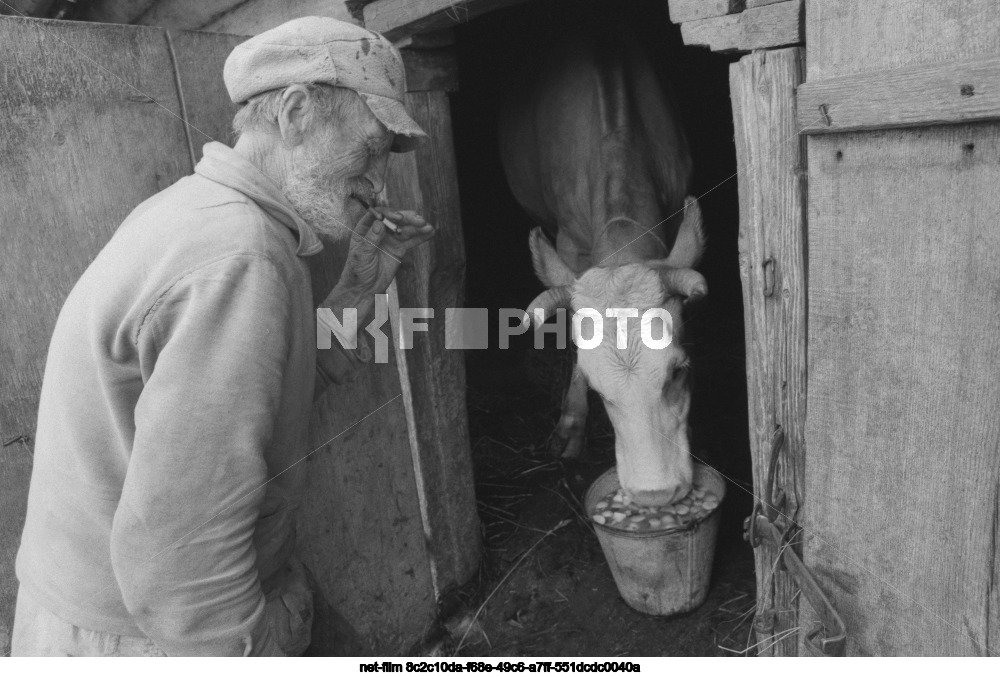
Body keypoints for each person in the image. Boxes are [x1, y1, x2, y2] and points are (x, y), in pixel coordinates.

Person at [11, 17, 434, 656]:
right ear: (296, 113)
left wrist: (354, 292)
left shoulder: (200, 214)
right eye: (370, 149)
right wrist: (256, 650)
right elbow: (180, 562)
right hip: (147, 639)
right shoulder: (242, 259)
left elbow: (262, 400)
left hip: (108, 617)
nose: (377, 182)